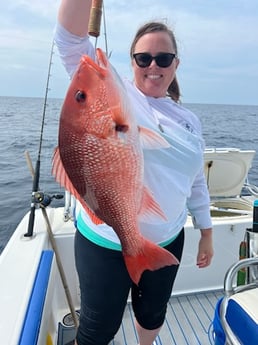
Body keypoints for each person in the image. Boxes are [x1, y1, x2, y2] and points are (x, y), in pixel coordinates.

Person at [54, 1, 214, 344]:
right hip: (105, 241)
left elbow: (195, 180)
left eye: (163, 58)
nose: (153, 66)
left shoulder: (189, 120)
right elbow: (70, 42)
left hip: (169, 236)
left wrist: (207, 231)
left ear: (175, 65)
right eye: (143, 58)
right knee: (98, 327)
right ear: (132, 63)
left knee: (152, 315)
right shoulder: (120, 95)